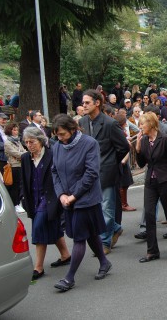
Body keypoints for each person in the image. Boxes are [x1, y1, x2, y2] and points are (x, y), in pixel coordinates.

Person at [50, 114, 111, 291]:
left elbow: (91, 173)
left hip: (86, 199)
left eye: (62, 134)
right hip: (67, 199)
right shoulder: (58, 146)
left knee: (79, 237)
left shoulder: (89, 143)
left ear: (73, 129)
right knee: (90, 233)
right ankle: (104, 262)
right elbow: (54, 172)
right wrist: (61, 194)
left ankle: (69, 278)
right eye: (57, 135)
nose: (59, 138)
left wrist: (73, 196)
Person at [78, 90, 130, 254]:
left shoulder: (109, 123)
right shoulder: (83, 122)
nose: (83, 105)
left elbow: (123, 147)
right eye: (83, 103)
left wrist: (111, 163)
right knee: (94, 209)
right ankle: (115, 228)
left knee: (107, 208)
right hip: (89, 173)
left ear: (97, 103)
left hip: (107, 172)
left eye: (87, 103)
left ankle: (105, 242)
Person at [21, 126, 71, 281]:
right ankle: (65, 255)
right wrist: (23, 197)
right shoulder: (25, 158)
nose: (29, 145)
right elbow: (24, 181)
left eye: (32, 142)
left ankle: (38, 267)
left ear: (41, 141)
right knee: (52, 226)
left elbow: (61, 176)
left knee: (39, 227)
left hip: (50, 198)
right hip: (33, 200)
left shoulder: (52, 155)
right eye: (27, 142)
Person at [135, 112, 167, 262]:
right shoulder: (145, 140)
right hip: (150, 182)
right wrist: (138, 148)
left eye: (142, 124)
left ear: (152, 124)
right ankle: (152, 251)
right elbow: (141, 164)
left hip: (165, 181)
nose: (140, 127)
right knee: (149, 214)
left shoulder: (165, 139)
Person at [3, 122, 27, 212]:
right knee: (15, 186)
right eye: (14, 130)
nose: (16, 132)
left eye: (17, 130)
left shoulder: (17, 141)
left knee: (20, 185)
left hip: (20, 165)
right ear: (10, 131)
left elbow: (24, 150)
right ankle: (15, 203)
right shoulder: (8, 143)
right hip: (13, 166)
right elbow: (16, 153)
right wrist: (24, 154)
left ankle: (18, 202)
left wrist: (24, 154)